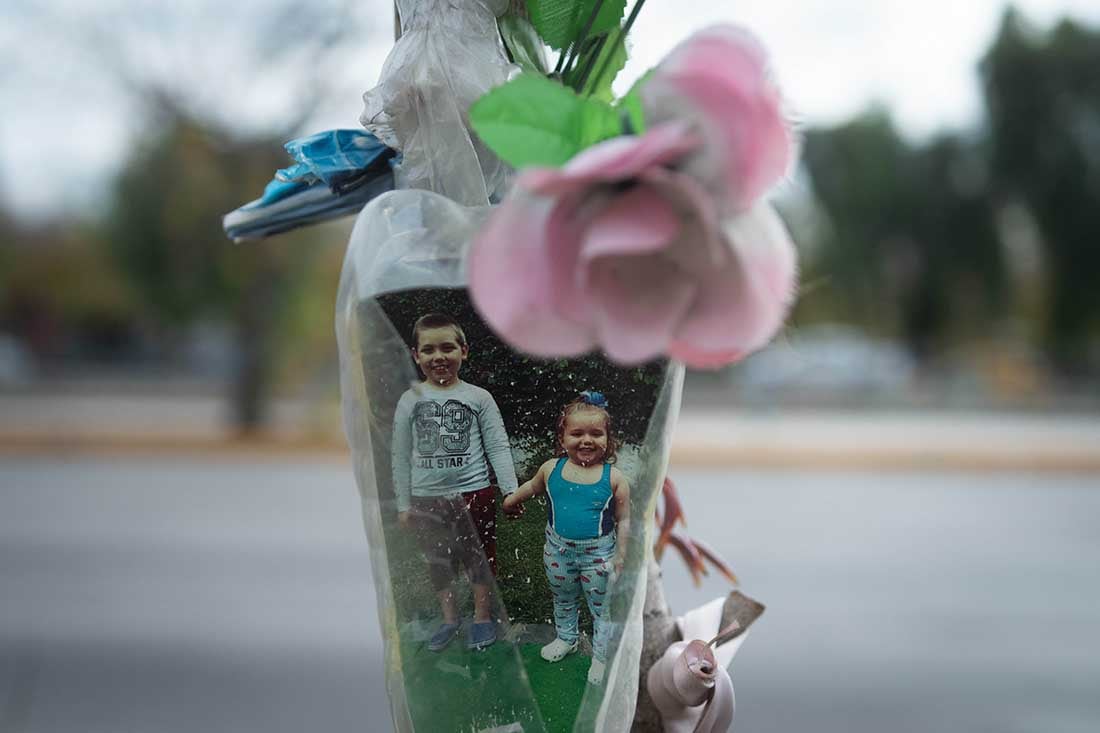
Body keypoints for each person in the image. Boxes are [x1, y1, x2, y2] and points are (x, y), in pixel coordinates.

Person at [391, 312, 518, 652]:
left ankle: (480, 617)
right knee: (438, 560)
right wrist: (404, 504)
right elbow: (400, 456)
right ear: (416, 356)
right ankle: (449, 618)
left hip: (474, 494)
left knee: (479, 557)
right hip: (425, 499)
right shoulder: (409, 401)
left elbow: (498, 445)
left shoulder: (479, 398)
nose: (439, 357)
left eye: (447, 348)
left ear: (464, 351)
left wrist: (510, 491)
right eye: (429, 350)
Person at [502, 391, 630, 685]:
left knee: (601, 607)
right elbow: (532, 487)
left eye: (596, 433)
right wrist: (511, 500)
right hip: (557, 550)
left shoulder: (614, 478)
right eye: (577, 433)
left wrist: (621, 553)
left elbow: (625, 520)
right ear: (562, 439)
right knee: (563, 597)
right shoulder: (551, 469)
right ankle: (567, 638)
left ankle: (600, 655)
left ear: (608, 440)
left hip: (598, 554)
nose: (586, 440)